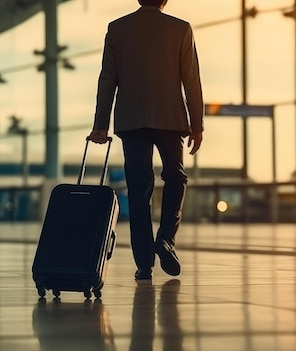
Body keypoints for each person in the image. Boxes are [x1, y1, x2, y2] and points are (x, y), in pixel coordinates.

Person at [88, 0, 204, 281]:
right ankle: (166, 239)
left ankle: (143, 264)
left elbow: (108, 78)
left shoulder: (117, 29)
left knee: (139, 190)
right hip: (170, 119)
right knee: (176, 177)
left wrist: (101, 124)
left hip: (132, 119)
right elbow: (191, 79)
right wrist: (197, 124)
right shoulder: (180, 29)